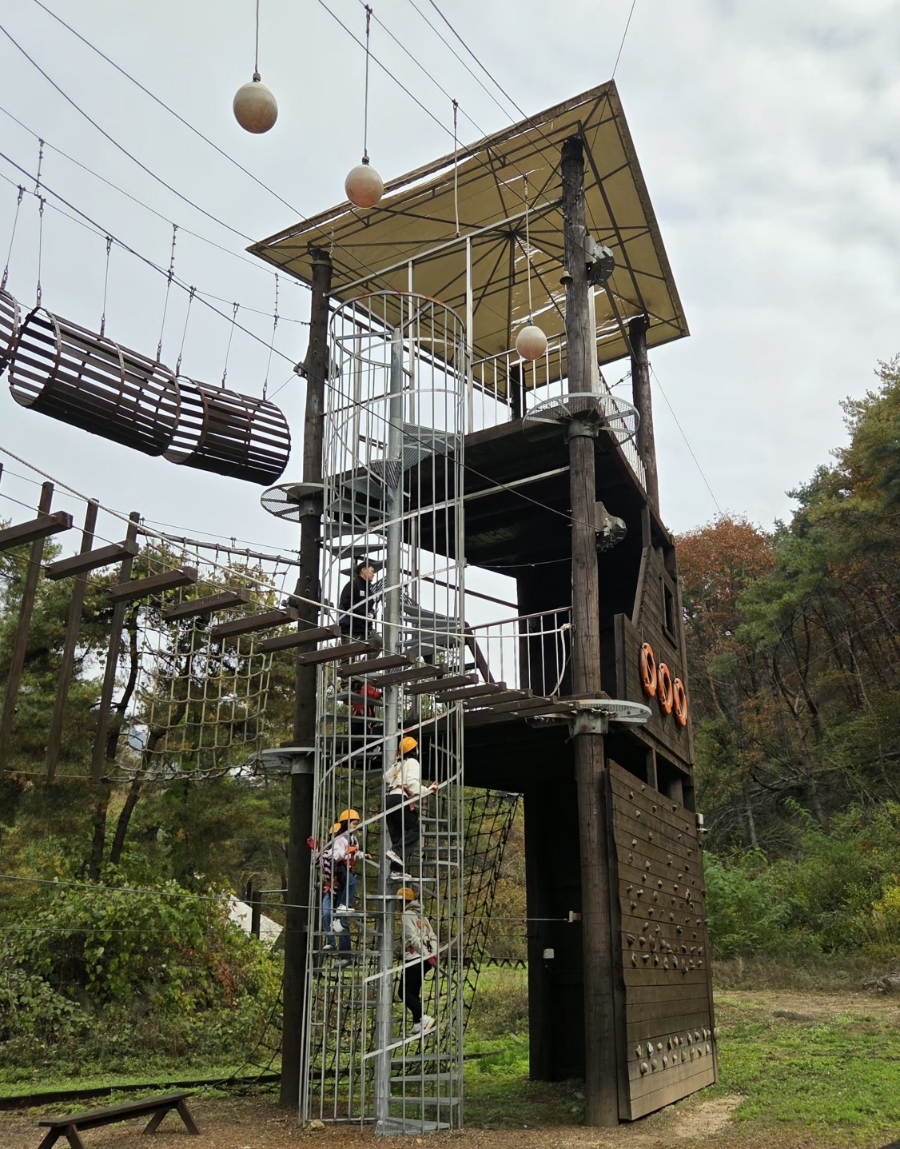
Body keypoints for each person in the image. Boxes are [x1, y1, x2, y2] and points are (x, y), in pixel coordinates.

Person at [311, 809, 364, 963]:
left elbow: (353, 855)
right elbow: (318, 861)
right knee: (327, 914)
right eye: (332, 836)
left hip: (339, 888)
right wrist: (315, 850)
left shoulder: (350, 842)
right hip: (330, 890)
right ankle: (331, 942)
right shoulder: (329, 853)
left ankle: (345, 955)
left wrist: (358, 854)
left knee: (341, 920)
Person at [384, 736, 437, 880]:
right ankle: (396, 852)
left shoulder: (399, 764)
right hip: (400, 798)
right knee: (414, 829)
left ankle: (396, 870)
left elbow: (386, 777)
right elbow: (412, 784)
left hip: (389, 800)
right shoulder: (413, 762)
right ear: (415, 749)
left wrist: (397, 764)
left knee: (399, 836)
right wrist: (428, 790)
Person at [396, 886, 438, 1036]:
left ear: (402, 902)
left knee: (403, 992)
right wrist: (432, 953)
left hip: (415, 959)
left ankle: (423, 1019)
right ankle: (418, 1024)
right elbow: (432, 936)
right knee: (413, 992)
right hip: (424, 960)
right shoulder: (422, 916)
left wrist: (425, 954)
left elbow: (412, 938)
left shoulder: (407, 914)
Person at [339, 560, 378, 640]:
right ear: (363, 570)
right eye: (372, 571)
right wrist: (364, 613)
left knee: (379, 642)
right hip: (351, 630)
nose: (374, 574)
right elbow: (346, 603)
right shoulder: (353, 585)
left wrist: (372, 614)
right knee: (351, 649)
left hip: (366, 630)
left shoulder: (369, 590)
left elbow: (370, 607)